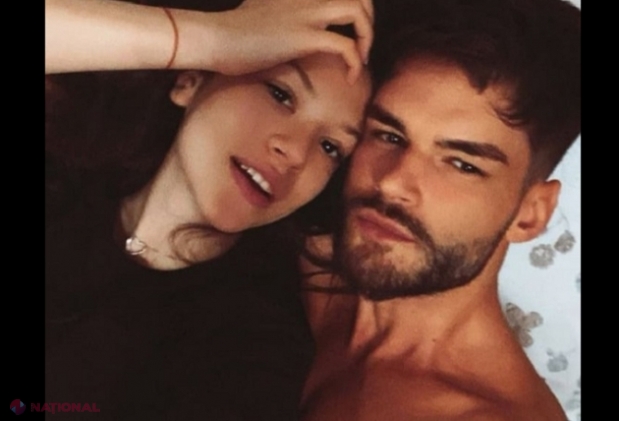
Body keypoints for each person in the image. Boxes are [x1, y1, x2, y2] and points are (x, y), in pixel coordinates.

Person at [45, 0, 372, 419]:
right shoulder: (65, 169)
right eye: (280, 94)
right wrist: (212, 36)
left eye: (330, 147)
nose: (295, 153)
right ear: (191, 80)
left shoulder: (247, 340)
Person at [300, 0, 580, 420]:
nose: (393, 182)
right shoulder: (296, 232)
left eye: (462, 165)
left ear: (530, 214)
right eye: (389, 135)